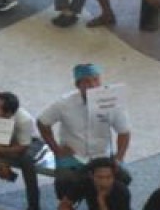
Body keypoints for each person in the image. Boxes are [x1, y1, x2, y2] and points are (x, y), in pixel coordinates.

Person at [37, 63, 132, 199]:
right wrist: (56, 149)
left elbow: (124, 132)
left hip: (102, 155)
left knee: (124, 178)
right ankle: (68, 209)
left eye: (96, 79)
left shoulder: (111, 101)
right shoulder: (64, 104)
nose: (93, 85)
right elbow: (42, 122)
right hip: (74, 156)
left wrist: (118, 157)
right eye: (87, 81)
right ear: (78, 85)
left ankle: (107, 208)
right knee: (64, 182)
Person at [58, 157, 135, 210]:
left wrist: (101, 201)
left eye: (108, 177)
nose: (104, 182)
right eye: (100, 177)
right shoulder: (85, 182)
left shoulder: (121, 191)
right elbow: (63, 206)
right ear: (92, 175)